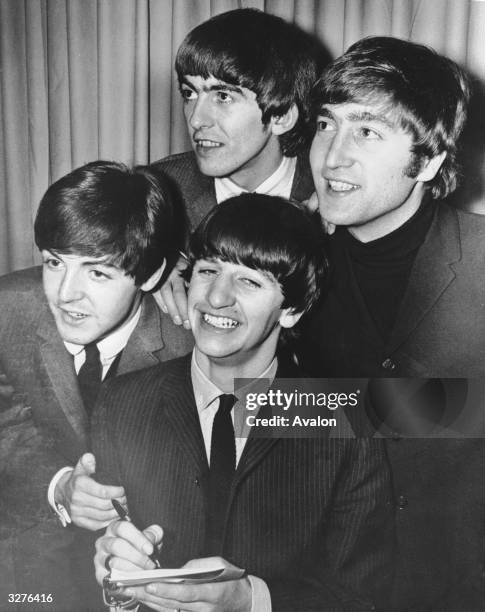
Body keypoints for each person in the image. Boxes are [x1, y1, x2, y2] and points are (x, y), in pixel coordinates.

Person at [91, 194, 394, 612]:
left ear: (293, 308)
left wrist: (253, 602)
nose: (216, 297)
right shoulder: (121, 403)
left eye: (249, 281)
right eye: (208, 270)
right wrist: (116, 583)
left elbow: (360, 599)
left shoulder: (346, 425)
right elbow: (82, 570)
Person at [299, 36, 485, 610]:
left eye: (368, 131)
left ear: (428, 160)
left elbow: (274, 410)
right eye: (327, 124)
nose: (332, 157)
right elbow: (247, 411)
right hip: (329, 581)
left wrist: (317, 411)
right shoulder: (290, 260)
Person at [0, 161, 193, 610]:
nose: (65, 294)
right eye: (54, 262)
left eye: (98, 272)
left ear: (149, 275)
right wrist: (59, 483)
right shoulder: (7, 312)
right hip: (24, 565)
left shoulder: (190, 342)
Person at [151, 8, 327, 327]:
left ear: (282, 115)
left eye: (222, 96)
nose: (196, 119)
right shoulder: (158, 187)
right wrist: (152, 261)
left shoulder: (329, 190)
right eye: (189, 93)